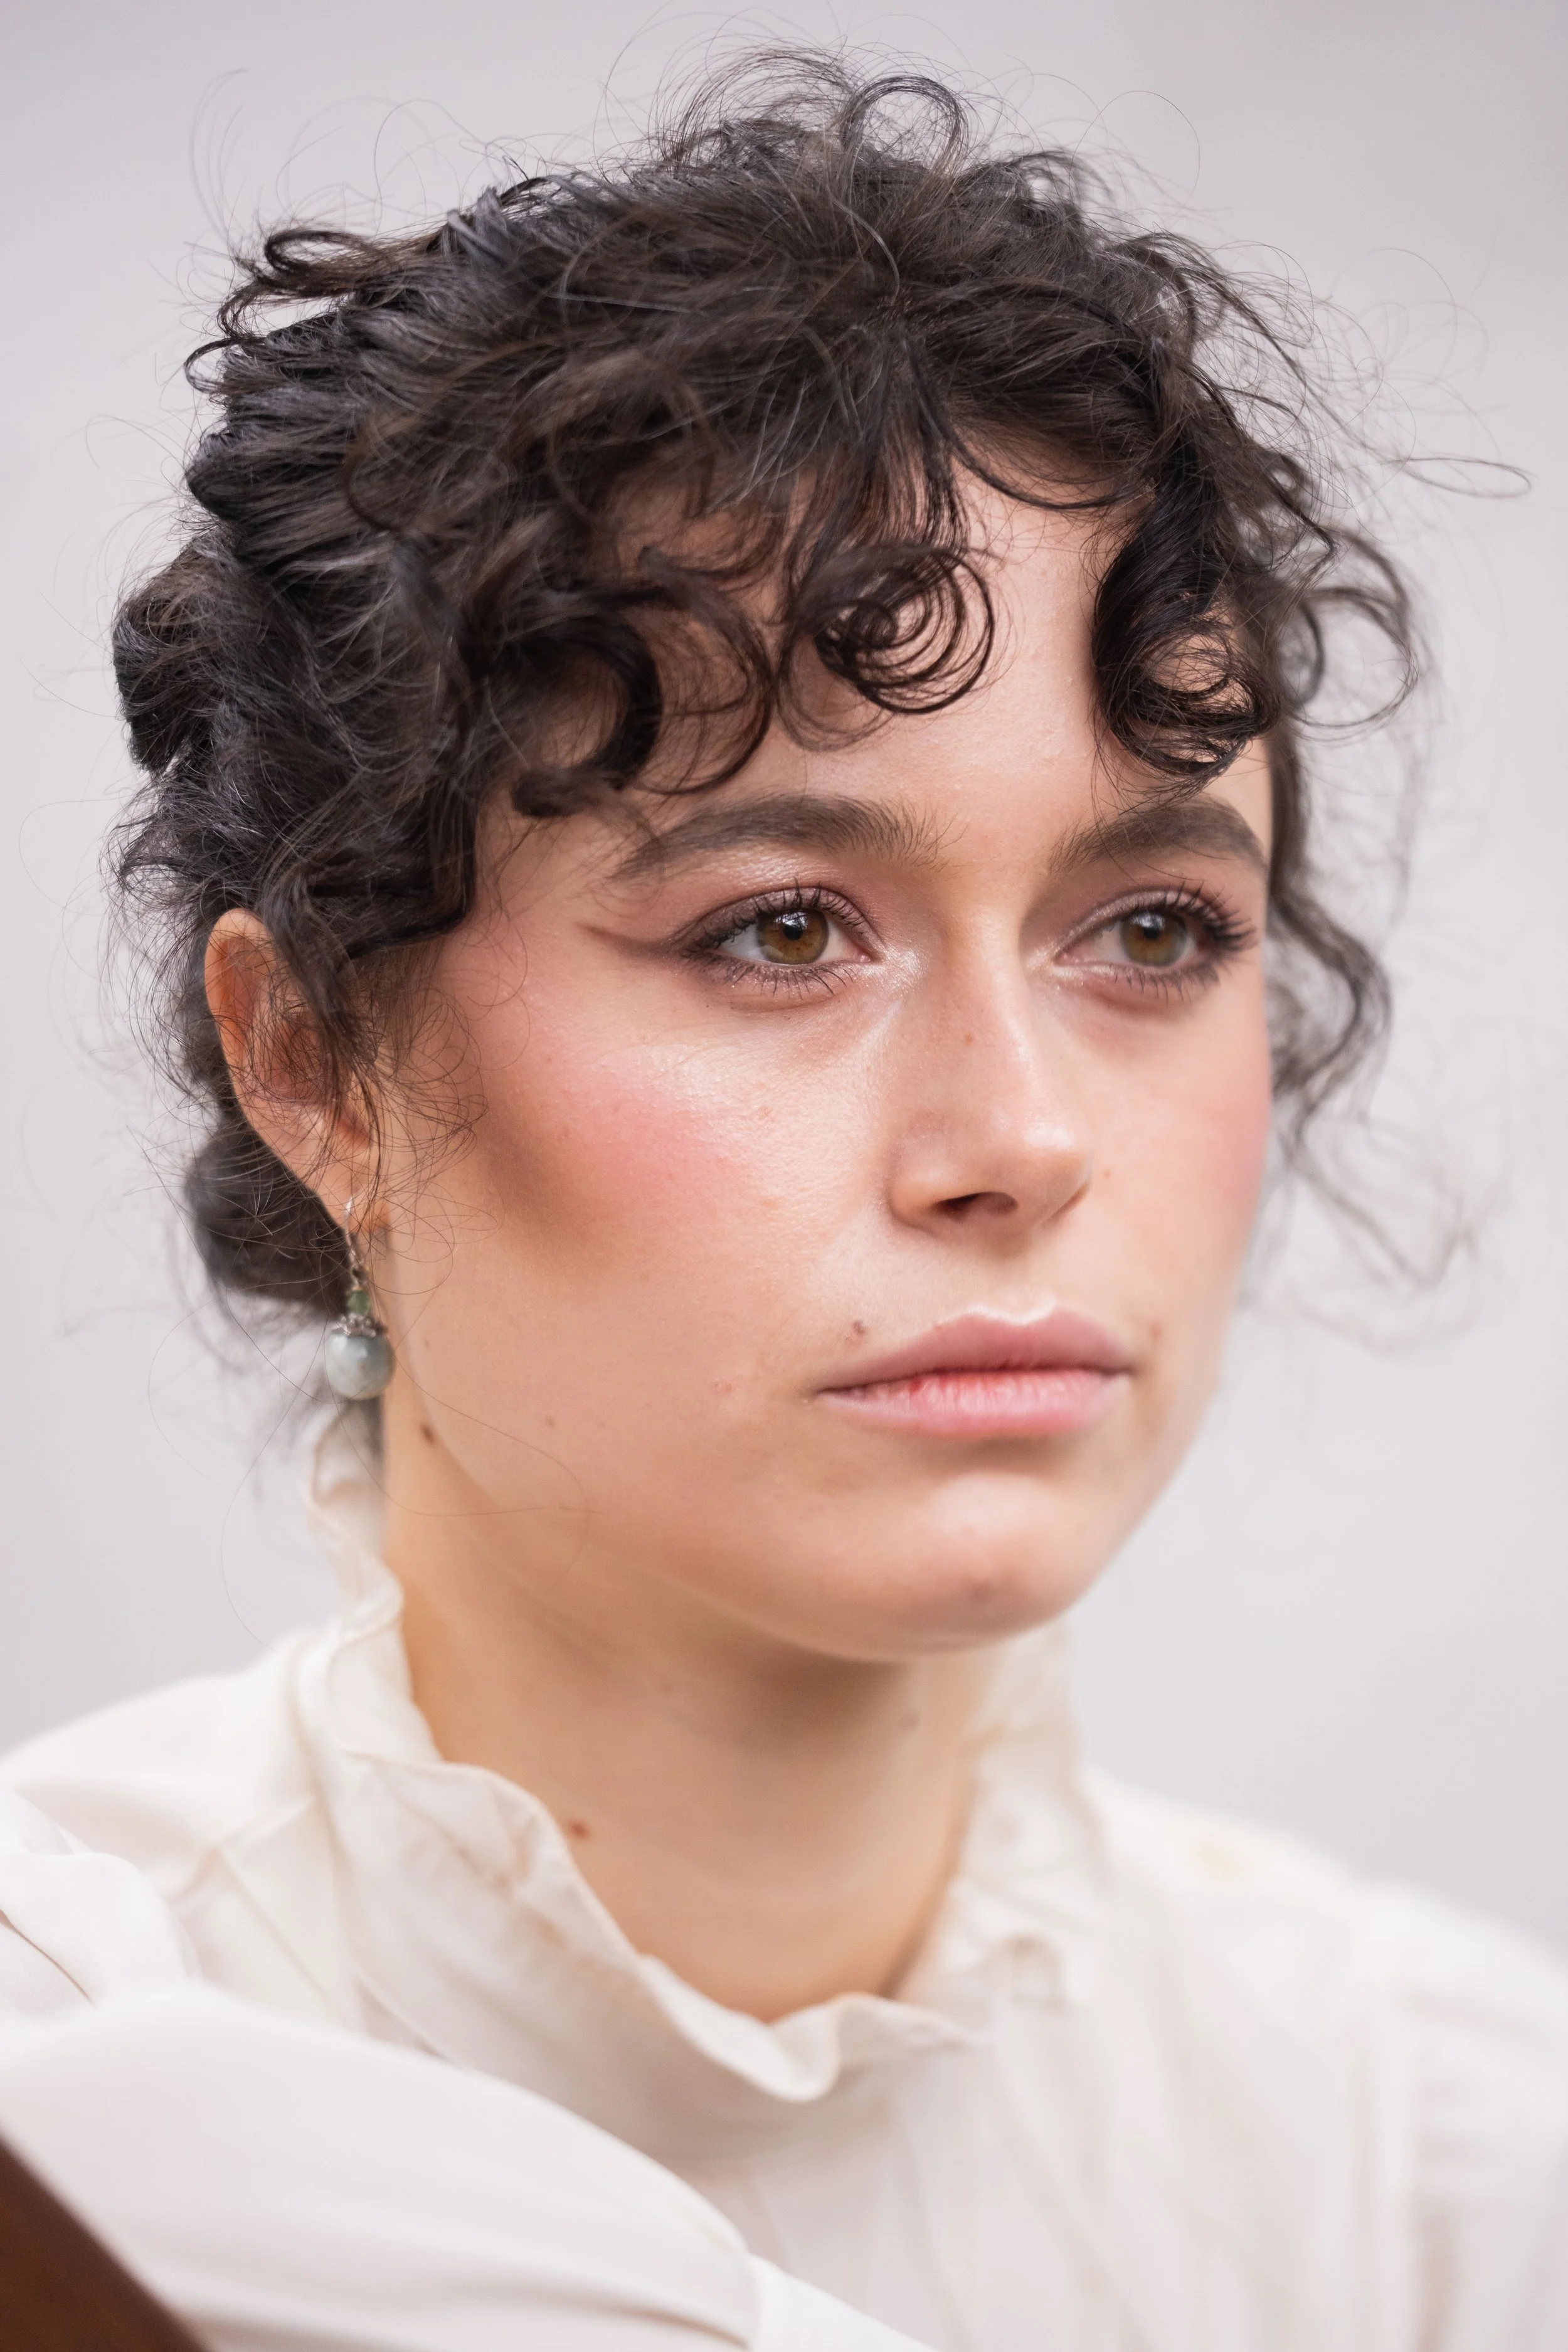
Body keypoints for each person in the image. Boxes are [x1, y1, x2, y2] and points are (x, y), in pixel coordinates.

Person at [1, 51, 1563, 2352]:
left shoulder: (1430, 2148)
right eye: (778, 931)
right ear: (314, 1059)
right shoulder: (74, 2052)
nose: (1018, 1138)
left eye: (1150, 932)